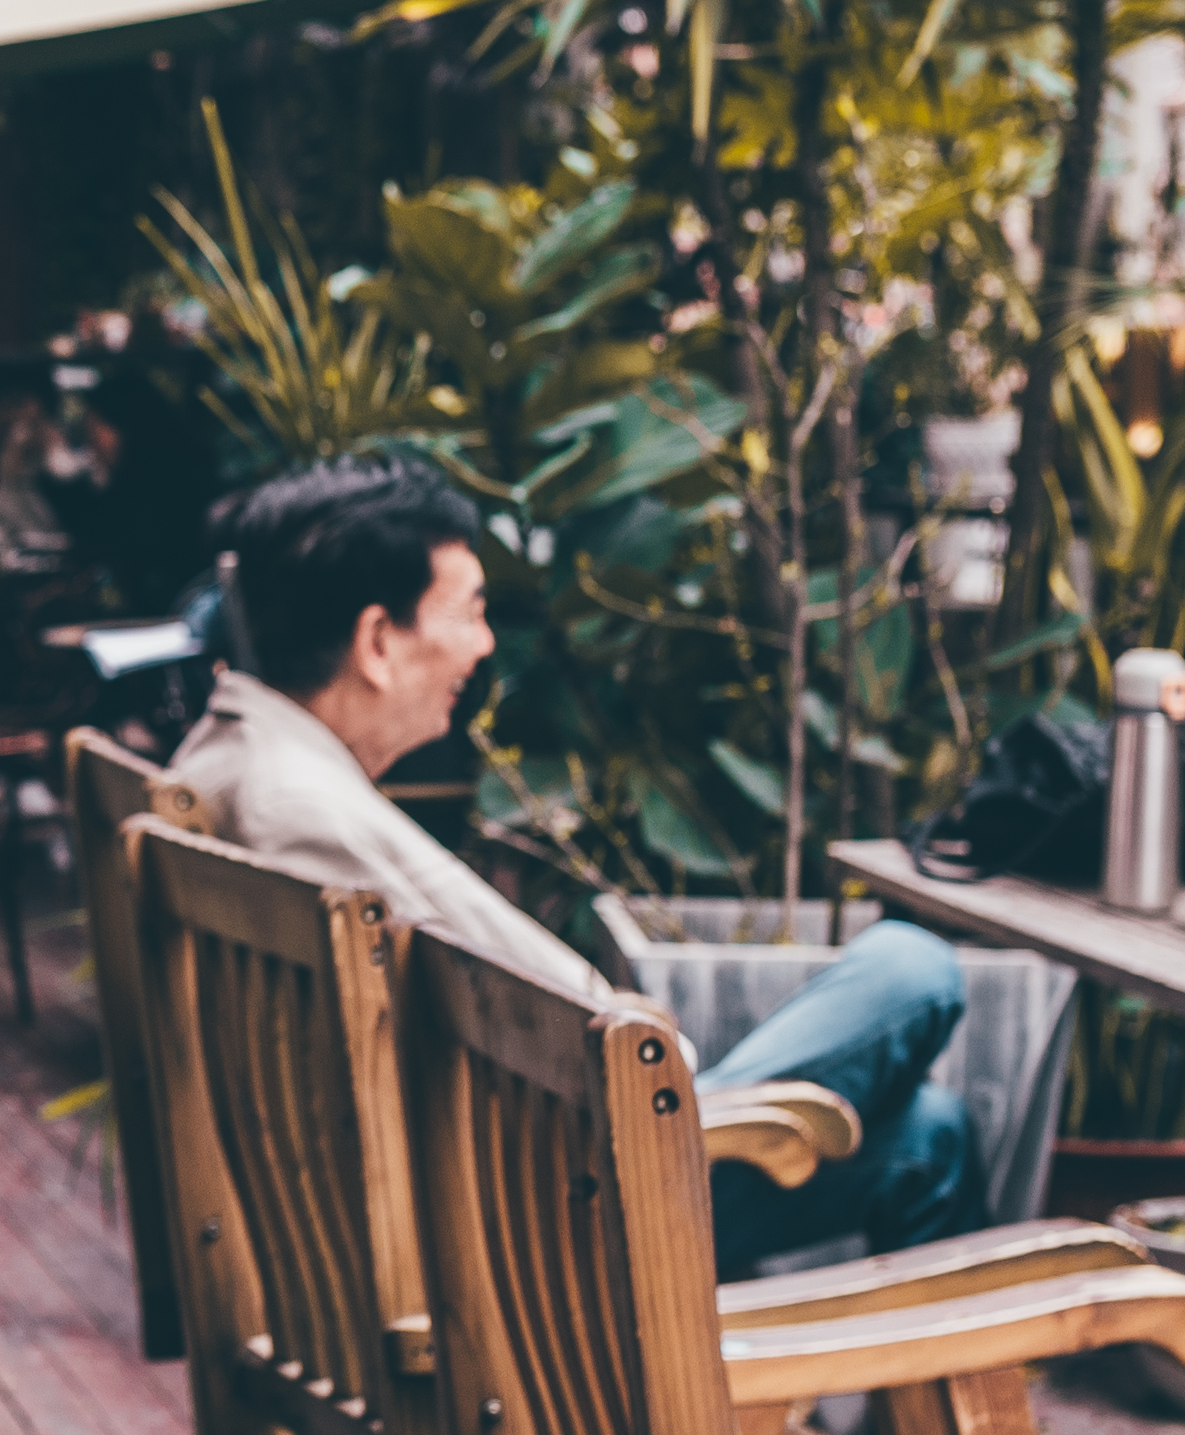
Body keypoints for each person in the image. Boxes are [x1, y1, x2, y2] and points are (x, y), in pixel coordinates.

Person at [165, 452, 983, 1271]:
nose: (484, 643)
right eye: (470, 610)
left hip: (476, 1199)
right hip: (541, 1248)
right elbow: (595, 1040)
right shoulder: (304, 814)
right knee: (913, 968)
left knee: (928, 1135)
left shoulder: (235, 761)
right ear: (378, 641)